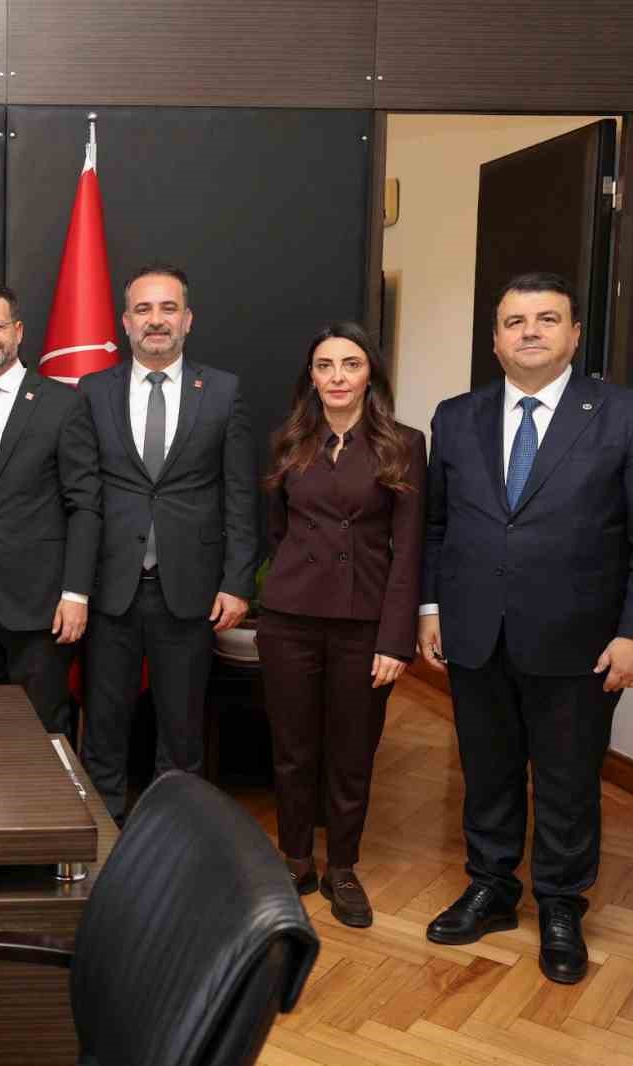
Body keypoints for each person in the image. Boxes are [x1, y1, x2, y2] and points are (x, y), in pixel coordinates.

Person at [420, 271, 633, 984]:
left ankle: (562, 904)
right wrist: (431, 609)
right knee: (487, 771)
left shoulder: (631, 415)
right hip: (476, 631)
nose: (530, 332)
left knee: (567, 780)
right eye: (515, 321)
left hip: (582, 642)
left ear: (574, 334)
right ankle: (491, 887)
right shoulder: (456, 416)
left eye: (546, 319)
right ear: (495, 339)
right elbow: (438, 525)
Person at [256, 322, 426, 927]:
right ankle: (296, 859)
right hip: (289, 619)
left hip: (363, 624)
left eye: (350, 364)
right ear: (311, 376)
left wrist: (395, 639)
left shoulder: (404, 445)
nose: (337, 377)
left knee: (352, 752)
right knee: (293, 749)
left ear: (369, 374)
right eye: (324, 365)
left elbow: (409, 551)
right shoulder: (288, 441)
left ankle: (343, 868)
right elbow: (276, 530)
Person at [76, 264, 258, 825]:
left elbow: (240, 493)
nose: (156, 320)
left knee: (181, 729)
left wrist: (237, 582)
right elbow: (81, 496)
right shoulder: (94, 391)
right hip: (111, 587)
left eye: (168, 308)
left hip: (191, 589)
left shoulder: (222, 391)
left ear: (188, 319)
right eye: (144, 309)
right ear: (125, 321)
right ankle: (102, 834)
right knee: (104, 722)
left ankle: (174, 833)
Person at [0, 283, 101, 733]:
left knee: (42, 727)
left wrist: (76, 594)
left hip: (41, 604)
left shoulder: (63, 405)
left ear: (18, 331)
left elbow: (85, 506)